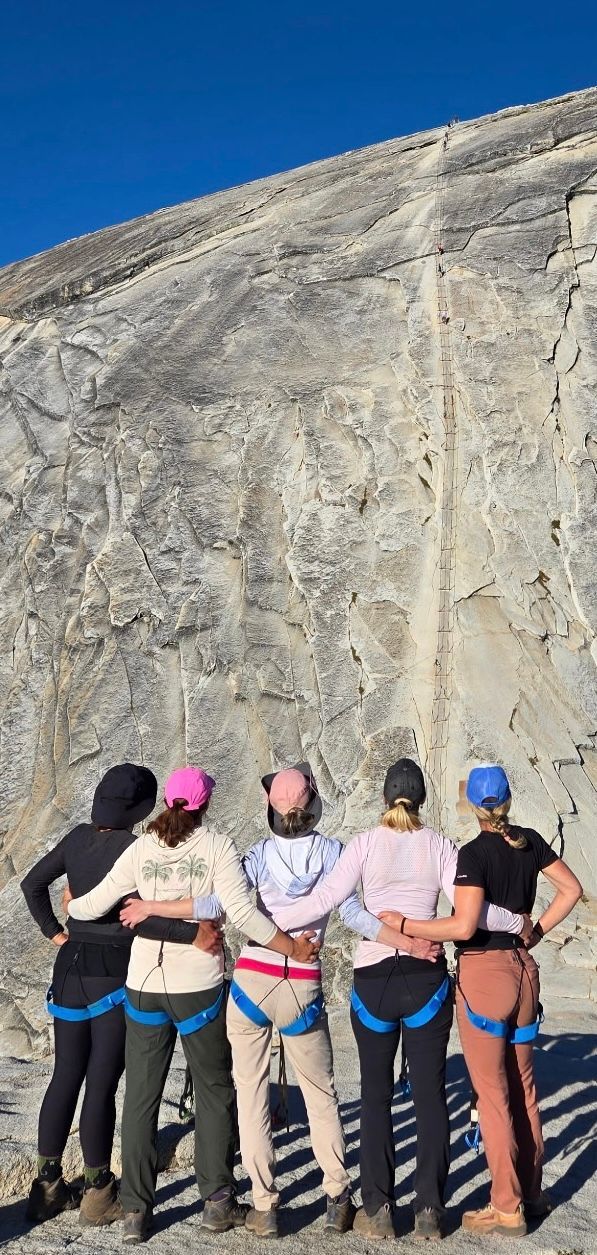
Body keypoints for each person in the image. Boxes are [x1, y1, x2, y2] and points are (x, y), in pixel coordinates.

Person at [122, 762, 410, 1238]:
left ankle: (263, 1205)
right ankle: (337, 1196)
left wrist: (152, 905)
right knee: (320, 1095)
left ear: (270, 811)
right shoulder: (334, 853)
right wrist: (405, 935)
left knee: (251, 1093)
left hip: (252, 979)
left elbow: (216, 905)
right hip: (301, 982)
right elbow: (354, 912)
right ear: (313, 805)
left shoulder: (254, 856)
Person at [271, 759, 526, 1241]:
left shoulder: (364, 844)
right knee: (430, 1095)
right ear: (423, 799)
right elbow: (474, 910)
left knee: (375, 1096)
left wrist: (269, 926)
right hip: (425, 978)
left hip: (373, 980)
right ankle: (429, 1209)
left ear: (385, 798)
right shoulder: (438, 845)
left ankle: (379, 1208)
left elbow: (322, 900)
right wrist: (518, 923)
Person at [67, 766, 318, 1245]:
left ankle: (137, 1211)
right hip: (197, 984)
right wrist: (290, 948)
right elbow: (239, 912)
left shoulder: (141, 847)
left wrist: (71, 903)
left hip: (142, 982)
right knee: (213, 1088)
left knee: (140, 1095)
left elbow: (95, 904)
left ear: (168, 800)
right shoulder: (217, 846)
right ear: (205, 804)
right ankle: (217, 1200)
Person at [378, 764, 583, 1237]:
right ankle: (532, 1193)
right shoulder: (529, 840)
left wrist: (404, 926)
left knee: (492, 1096)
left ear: (475, 805)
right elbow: (570, 890)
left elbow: (463, 927)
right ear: (508, 799)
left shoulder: (473, 853)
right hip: (523, 971)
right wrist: (536, 931)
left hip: (485, 974)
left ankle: (505, 1206)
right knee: (524, 1090)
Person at [20, 763, 213, 1227]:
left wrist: (55, 933)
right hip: (113, 973)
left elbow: (31, 884)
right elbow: (137, 917)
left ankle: (46, 1185)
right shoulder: (134, 847)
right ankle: (98, 1190)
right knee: (102, 1080)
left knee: (65, 1073)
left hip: (69, 966)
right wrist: (192, 935)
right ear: (141, 808)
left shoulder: (76, 839)